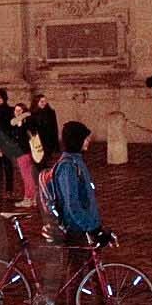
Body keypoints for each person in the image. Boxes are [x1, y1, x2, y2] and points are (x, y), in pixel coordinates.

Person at [42, 122, 104, 286]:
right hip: (76, 229)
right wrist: (91, 226)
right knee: (75, 276)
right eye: (85, 138)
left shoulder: (77, 162)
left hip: (86, 227)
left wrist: (96, 226)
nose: (88, 141)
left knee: (96, 273)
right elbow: (72, 205)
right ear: (76, 140)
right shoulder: (68, 167)